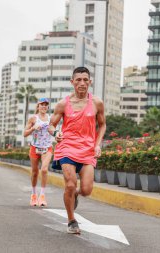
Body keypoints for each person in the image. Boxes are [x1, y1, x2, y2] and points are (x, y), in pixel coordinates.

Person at [48, 67, 106, 234]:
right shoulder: (63, 104)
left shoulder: (97, 103)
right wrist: (56, 132)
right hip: (67, 147)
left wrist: (97, 144)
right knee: (70, 184)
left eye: (85, 80)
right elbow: (51, 125)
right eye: (78, 80)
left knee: (87, 190)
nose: (82, 83)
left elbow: (102, 125)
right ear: (72, 82)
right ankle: (71, 220)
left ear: (90, 82)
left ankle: (75, 194)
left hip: (88, 150)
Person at [24, 98, 53, 207]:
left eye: (46, 105)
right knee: (35, 172)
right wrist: (33, 128)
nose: (44, 106)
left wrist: (58, 134)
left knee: (44, 170)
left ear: (48, 107)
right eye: (42, 104)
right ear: (38, 106)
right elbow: (24, 134)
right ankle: (33, 195)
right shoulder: (33, 118)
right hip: (35, 147)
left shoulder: (51, 119)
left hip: (47, 148)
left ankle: (42, 196)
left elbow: (53, 130)